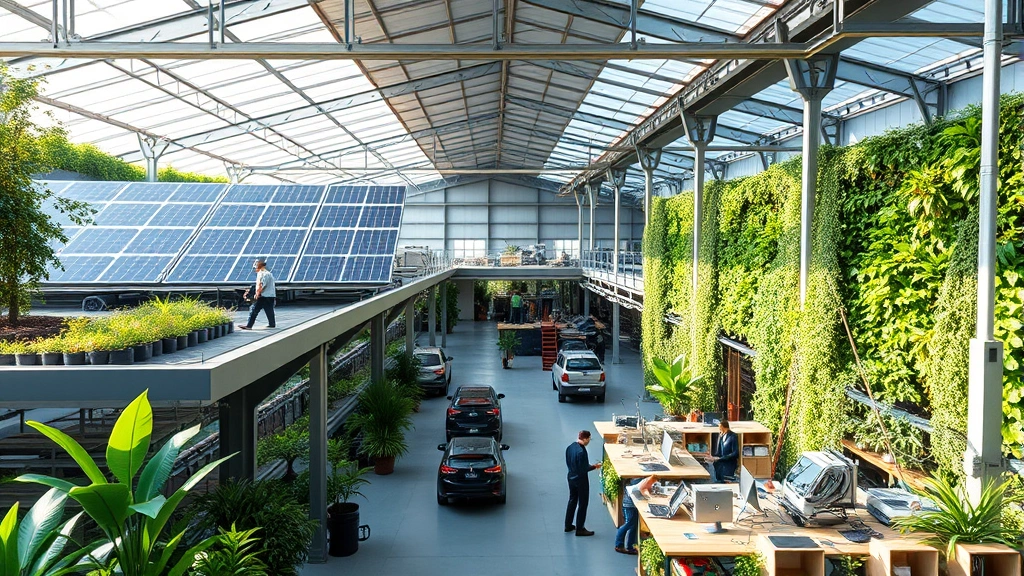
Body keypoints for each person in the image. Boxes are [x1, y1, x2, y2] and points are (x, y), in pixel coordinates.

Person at [565, 430, 602, 536]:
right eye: (589, 439)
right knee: (583, 503)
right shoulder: (581, 452)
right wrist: (595, 466)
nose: (589, 441)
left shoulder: (570, 447)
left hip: (571, 477)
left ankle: (568, 525)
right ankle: (580, 528)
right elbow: (583, 468)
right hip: (580, 480)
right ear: (585, 439)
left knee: (572, 500)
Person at [240, 259, 276, 330]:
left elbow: (261, 285)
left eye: (255, 267)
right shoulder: (269, 273)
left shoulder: (262, 274)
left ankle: (249, 325)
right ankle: (272, 324)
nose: (255, 269)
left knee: (254, 310)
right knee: (269, 310)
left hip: (263, 296)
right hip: (270, 295)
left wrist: (257, 294)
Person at [614, 476, 645, 554]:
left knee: (633, 526)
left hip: (631, 505)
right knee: (629, 524)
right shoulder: (637, 480)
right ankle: (619, 544)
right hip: (630, 506)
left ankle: (630, 547)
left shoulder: (632, 479)